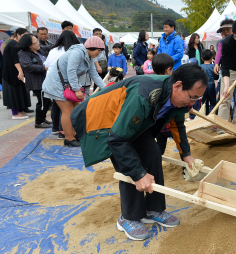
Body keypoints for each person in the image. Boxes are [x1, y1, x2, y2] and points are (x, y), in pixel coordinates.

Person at [71, 63, 207, 241]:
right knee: (128, 163)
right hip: (104, 121)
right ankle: (129, 217)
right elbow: (117, 140)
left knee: (152, 153)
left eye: (198, 99)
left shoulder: (178, 96)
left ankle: (153, 209)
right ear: (178, 85)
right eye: (192, 97)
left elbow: (177, 123)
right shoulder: (143, 95)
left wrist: (186, 154)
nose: (193, 103)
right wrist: (138, 174)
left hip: (133, 123)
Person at [42, 36, 106, 147]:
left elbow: (94, 75)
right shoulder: (77, 53)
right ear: (91, 47)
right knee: (68, 111)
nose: (99, 53)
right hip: (57, 84)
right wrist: (77, 90)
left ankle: (74, 134)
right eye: (98, 50)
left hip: (67, 85)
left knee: (76, 110)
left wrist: (106, 89)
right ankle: (68, 138)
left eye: (101, 51)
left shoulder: (90, 56)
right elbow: (71, 71)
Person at [44, 30, 81, 136]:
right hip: (63, 82)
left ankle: (56, 128)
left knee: (56, 107)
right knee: (67, 110)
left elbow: (46, 66)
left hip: (50, 81)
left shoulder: (53, 50)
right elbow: (71, 70)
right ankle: (65, 133)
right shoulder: (73, 51)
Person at [17, 34, 52, 128]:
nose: (38, 43)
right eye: (35, 42)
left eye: (37, 41)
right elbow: (28, 66)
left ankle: (42, 118)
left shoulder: (39, 49)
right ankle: (39, 122)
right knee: (42, 101)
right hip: (36, 81)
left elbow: (50, 46)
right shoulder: (23, 53)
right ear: (29, 45)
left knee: (47, 101)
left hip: (46, 79)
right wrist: (44, 68)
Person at [2, 28, 33, 119]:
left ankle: (21, 111)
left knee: (20, 92)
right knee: (14, 93)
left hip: (16, 71)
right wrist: (20, 71)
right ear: (18, 34)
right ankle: (15, 114)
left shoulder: (17, 44)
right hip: (11, 73)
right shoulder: (13, 44)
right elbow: (15, 59)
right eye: (24, 35)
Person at [200, 49, 217, 115]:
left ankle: (205, 115)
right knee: (213, 102)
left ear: (202, 58)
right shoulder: (213, 67)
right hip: (211, 85)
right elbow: (216, 77)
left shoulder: (200, 67)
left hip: (202, 86)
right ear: (211, 58)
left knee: (204, 102)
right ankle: (211, 115)